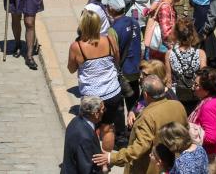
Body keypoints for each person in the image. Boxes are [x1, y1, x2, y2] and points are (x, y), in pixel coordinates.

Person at [95, 74, 190, 174]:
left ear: (145, 95)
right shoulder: (178, 105)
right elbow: (185, 131)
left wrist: (112, 157)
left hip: (152, 168)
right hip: (174, 163)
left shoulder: (147, 116)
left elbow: (139, 148)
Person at [70, 10, 125, 142]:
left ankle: (93, 153)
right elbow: (117, 60)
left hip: (91, 97)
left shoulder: (77, 47)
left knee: (89, 129)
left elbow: (71, 69)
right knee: (108, 127)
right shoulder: (110, 40)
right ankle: (106, 154)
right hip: (112, 92)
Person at [190, 68, 216, 159]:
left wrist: (190, 133)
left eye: (196, 85)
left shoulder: (208, 107)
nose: (193, 87)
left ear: (207, 89)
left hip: (210, 153)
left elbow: (211, 138)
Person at [63, 96, 107, 174]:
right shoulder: (85, 138)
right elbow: (86, 169)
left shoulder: (75, 121)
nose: (104, 111)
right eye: (103, 109)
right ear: (96, 113)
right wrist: (104, 169)